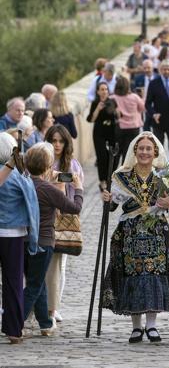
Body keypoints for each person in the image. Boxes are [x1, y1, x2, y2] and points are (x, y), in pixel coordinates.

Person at [101, 132, 169, 343]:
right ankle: (136, 326)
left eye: (149, 149)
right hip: (129, 233)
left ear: (155, 152)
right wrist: (107, 199)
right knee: (133, 275)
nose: (145, 152)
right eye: (141, 148)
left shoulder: (166, 176)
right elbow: (112, 207)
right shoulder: (121, 177)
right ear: (134, 152)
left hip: (157, 231)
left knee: (154, 273)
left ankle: (152, 325)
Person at [25, 142, 83, 337]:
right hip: (44, 241)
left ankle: (44, 323)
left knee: (38, 281)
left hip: (24, 241)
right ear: (48, 166)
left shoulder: (24, 183)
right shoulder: (48, 189)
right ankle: (13, 320)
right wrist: (79, 188)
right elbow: (74, 208)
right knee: (34, 285)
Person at [0, 133, 39, 344]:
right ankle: (14, 329)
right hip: (13, 235)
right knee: (13, 283)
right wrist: (34, 236)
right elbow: (32, 205)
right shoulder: (19, 175)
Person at [44, 125, 84, 323]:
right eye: (54, 140)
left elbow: (78, 188)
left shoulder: (73, 165)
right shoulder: (42, 161)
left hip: (64, 218)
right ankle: (45, 306)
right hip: (44, 217)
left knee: (59, 265)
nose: (57, 144)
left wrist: (67, 182)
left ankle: (54, 306)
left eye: (61, 141)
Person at [87, 81, 118, 191]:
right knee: (102, 157)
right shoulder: (95, 103)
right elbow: (91, 119)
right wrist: (98, 109)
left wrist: (115, 111)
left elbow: (119, 116)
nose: (104, 91)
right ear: (98, 92)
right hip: (99, 132)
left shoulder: (112, 101)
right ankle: (103, 181)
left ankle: (111, 179)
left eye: (106, 89)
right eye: (102, 89)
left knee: (113, 156)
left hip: (112, 131)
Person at [111, 76, 145, 162]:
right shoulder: (134, 97)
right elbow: (142, 108)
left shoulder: (113, 98)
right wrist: (142, 96)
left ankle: (114, 172)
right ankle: (126, 173)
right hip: (133, 127)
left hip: (120, 127)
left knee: (117, 152)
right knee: (129, 153)